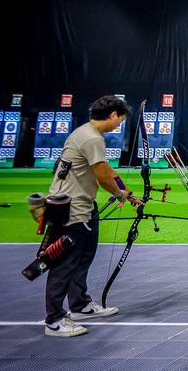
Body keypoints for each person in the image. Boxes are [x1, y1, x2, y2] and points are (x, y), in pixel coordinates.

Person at [42, 95, 142, 337]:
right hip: (71, 208)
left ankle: (79, 305)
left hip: (83, 205)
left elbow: (107, 169)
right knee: (65, 263)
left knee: (83, 257)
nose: (119, 124)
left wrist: (127, 193)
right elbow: (102, 176)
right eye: (120, 120)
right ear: (113, 115)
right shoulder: (92, 138)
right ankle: (54, 319)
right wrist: (119, 193)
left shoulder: (87, 134)